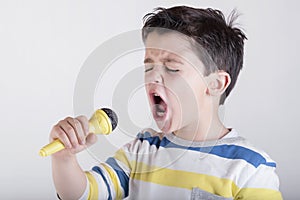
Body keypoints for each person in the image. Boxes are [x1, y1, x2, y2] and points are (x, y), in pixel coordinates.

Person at [50, 6, 282, 200]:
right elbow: (84, 194)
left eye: (172, 67)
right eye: (148, 66)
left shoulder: (251, 168)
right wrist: (64, 158)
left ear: (216, 84)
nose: (152, 76)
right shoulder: (141, 149)